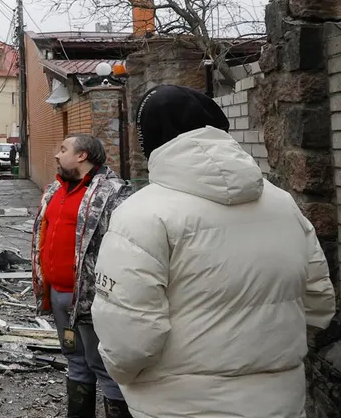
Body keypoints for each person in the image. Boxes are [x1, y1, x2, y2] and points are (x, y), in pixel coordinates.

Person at [92, 85, 335, 418]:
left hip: (179, 404)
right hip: (280, 401)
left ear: (149, 139)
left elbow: (128, 336)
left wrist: (128, 376)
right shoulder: (284, 204)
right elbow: (319, 301)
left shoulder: (140, 215)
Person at [31, 135, 130, 418]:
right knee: (75, 360)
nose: (56, 155)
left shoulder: (111, 193)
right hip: (58, 295)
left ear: (82, 156)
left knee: (104, 365)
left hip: (92, 299)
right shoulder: (55, 190)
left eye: (63, 149)